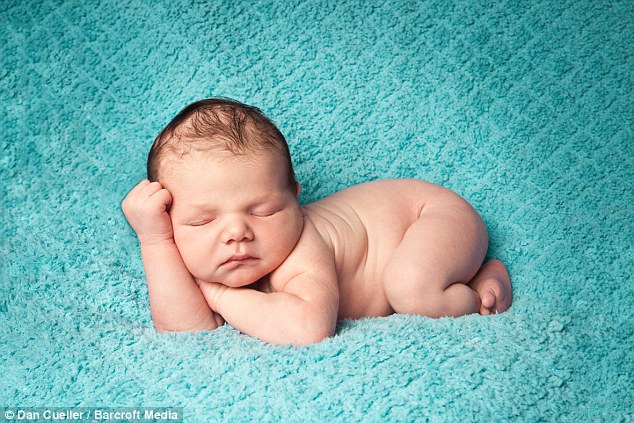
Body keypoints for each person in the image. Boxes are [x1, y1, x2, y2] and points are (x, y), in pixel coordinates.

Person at [121, 97, 512, 346]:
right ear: (171, 221)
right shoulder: (189, 248)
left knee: (411, 289)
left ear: (294, 196)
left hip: (428, 215)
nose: (237, 232)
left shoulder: (303, 248)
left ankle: (477, 287)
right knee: (409, 285)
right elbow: (186, 332)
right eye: (203, 221)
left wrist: (219, 295)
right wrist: (153, 241)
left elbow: (309, 329)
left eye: (264, 211)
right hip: (414, 218)